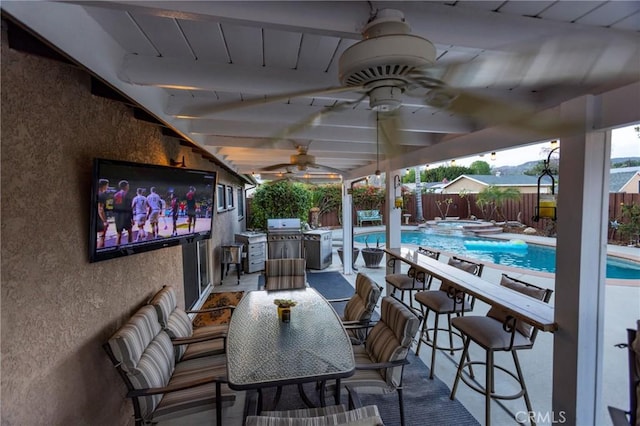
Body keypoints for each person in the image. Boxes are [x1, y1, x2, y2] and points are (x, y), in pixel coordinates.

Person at [112, 180, 133, 246]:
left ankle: (117, 249)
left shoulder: (116, 195)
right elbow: (129, 208)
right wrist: (132, 218)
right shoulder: (127, 194)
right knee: (130, 232)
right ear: (126, 186)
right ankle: (130, 247)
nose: (128, 186)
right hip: (126, 216)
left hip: (118, 217)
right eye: (128, 185)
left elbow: (113, 207)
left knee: (119, 234)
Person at [96, 178, 109, 248]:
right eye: (107, 185)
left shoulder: (96, 193)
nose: (107, 187)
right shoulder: (102, 195)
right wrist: (105, 221)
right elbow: (100, 209)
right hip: (100, 220)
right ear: (104, 186)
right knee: (102, 238)